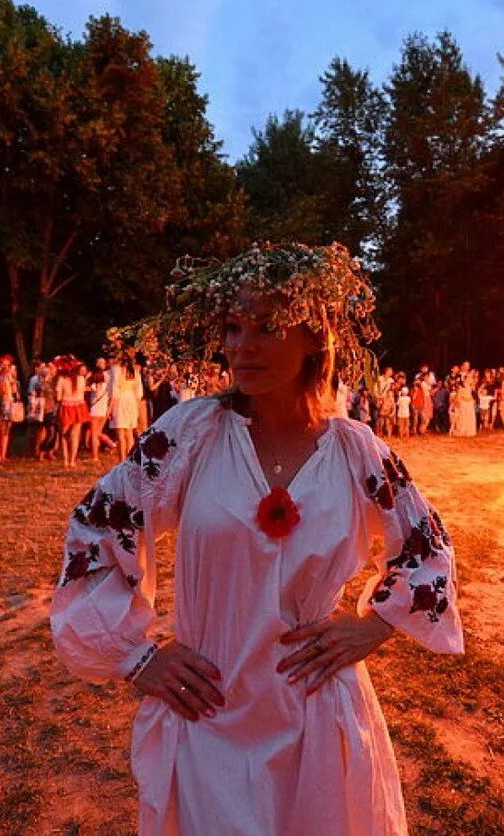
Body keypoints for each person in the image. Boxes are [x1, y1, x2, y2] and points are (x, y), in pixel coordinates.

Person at [51, 242, 462, 835]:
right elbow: (96, 525)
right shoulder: (190, 434)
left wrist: (374, 624)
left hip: (317, 707)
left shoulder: (356, 451)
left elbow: (426, 543)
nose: (243, 345)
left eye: (267, 327)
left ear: (314, 340)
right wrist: (137, 656)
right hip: (211, 705)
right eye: (234, 326)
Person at [109, 353, 145, 462]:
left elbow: (114, 391)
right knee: (129, 432)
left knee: (120, 433)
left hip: (120, 400)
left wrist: (109, 408)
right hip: (131, 400)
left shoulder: (117, 370)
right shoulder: (135, 372)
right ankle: (130, 459)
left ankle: (122, 459)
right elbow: (139, 392)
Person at [55, 360, 89, 469]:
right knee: (75, 434)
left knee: (64, 435)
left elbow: (58, 397)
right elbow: (83, 394)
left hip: (66, 406)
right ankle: (72, 460)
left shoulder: (62, 379)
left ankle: (65, 460)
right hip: (79, 406)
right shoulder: (81, 379)